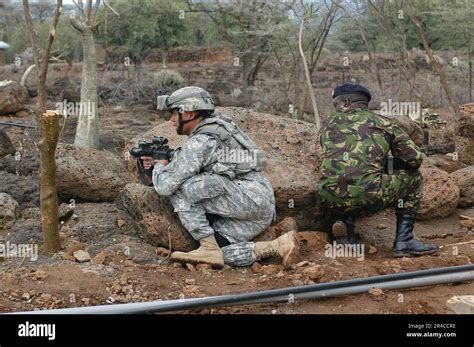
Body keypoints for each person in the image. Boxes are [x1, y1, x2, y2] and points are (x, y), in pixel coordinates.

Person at [141, 86, 300, 268]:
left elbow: (165, 186)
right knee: (219, 252)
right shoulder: (218, 127)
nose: (171, 120)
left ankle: (207, 246)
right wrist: (168, 162)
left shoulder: (201, 141)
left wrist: (159, 166)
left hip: (247, 199)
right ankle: (277, 246)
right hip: (258, 207)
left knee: (180, 189)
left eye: (174, 113)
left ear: (190, 113)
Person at [318, 83, 438, 257]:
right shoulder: (383, 123)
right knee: (414, 178)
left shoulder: (327, 124)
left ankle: (347, 232)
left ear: (345, 102)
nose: (335, 109)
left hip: (327, 197)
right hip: (369, 194)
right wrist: (388, 164)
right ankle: (404, 241)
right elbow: (415, 159)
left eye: (336, 104)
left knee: (341, 178)